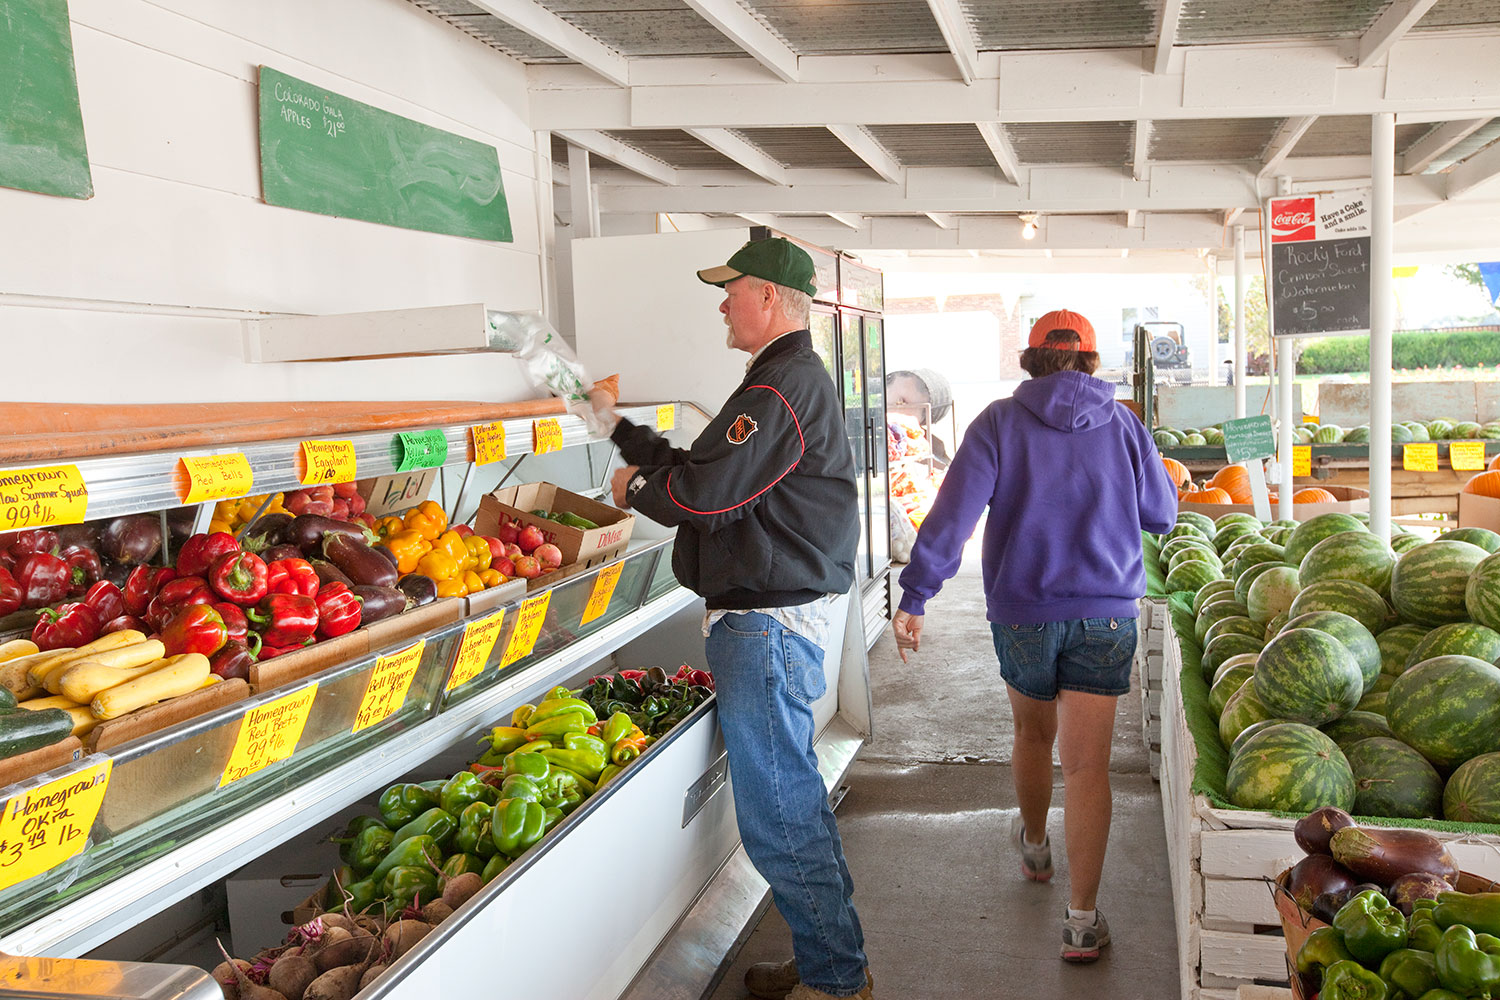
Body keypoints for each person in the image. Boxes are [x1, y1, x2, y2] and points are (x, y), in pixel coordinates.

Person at [602, 237, 873, 1000]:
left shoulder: (778, 390)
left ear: (769, 298)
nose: (722, 303)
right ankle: (831, 958)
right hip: (780, 620)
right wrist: (621, 431)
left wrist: (629, 490)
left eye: (732, 289)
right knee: (793, 804)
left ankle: (838, 981)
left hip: (767, 628)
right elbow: (705, 468)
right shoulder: (780, 384)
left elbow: (702, 498)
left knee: (781, 815)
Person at [890, 309, 1177, 964]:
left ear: (1030, 358)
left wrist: (916, 595)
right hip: (1107, 612)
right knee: (1086, 766)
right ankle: (1080, 922)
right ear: (1092, 360)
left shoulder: (998, 422)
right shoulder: (1126, 423)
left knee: (1031, 734)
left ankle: (1037, 846)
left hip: (1021, 612)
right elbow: (1161, 513)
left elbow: (952, 516)